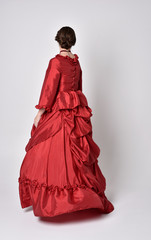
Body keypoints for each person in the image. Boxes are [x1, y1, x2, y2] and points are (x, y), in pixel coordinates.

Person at [18, 26, 114, 217]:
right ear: (72, 41)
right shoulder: (76, 63)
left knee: (50, 156)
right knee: (74, 156)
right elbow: (79, 88)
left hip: (61, 112)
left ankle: (58, 201)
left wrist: (40, 112)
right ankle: (80, 196)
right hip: (75, 111)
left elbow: (49, 89)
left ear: (58, 40)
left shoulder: (56, 62)